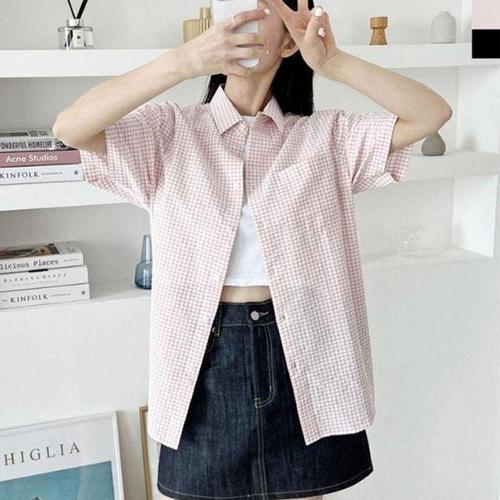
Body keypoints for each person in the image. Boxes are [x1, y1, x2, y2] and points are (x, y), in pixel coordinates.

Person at [52, 0, 452, 498]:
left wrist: (332, 62)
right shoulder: (169, 132)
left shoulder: (326, 137)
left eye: (263, 5)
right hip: (205, 355)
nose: (242, 16)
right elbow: (70, 127)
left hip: (304, 346)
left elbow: (433, 113)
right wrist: (183, 61)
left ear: (288, 40)